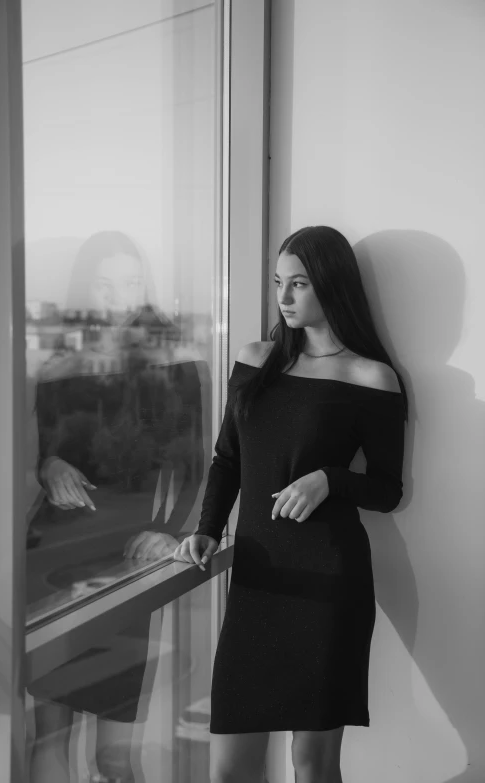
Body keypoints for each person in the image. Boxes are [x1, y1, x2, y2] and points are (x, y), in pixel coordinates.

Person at [173, 225, 408, 783]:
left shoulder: (371, 377)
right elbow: (227, 458)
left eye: (298, 284)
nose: (283, 298)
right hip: (258, 582)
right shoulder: (256, 359)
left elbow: (388, 489)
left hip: (330, 585)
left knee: (314, 767)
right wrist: (208, 528)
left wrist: (330, 478)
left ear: (331, 285)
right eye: (279, 282)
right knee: (230, 769)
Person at [26, 231, 207, 783]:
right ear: (87, 290)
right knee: (49, 732)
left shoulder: (174, 364)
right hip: (53, 549)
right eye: (105, 284)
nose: (119, 297)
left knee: (115, 753)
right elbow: (45, 453)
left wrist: (166, 532)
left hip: (128, 556)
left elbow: (195, 466)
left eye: (131, 283)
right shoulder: (60, 367)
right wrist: (49, 466)